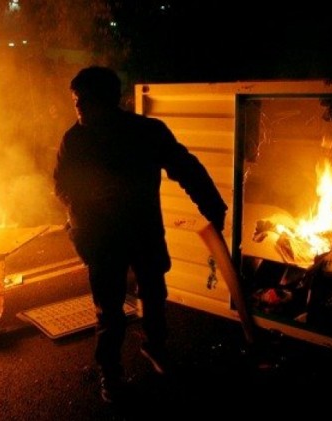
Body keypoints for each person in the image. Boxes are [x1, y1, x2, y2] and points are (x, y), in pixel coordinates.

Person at [53, 66, 228, 403]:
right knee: (109, 310)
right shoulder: (74, 139)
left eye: (85, 101)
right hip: (100, 237)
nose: (79, 108)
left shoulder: (146, 132)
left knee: (154, 291)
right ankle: (111, 371)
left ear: (110, 100)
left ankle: (156, 346)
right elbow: (61, 186)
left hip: (142, 229)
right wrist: (86, 205)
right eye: (76, 101)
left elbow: (185, 167)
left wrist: (212, 206)